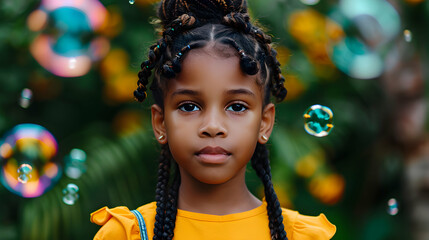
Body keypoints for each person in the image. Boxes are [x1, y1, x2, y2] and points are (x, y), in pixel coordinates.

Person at [90, 0, 336, 239]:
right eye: (189, 106)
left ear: (265, 122)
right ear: (160, 123)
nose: (213, 127)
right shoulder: (127, 234)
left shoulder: (301, 236)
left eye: (237, 107)